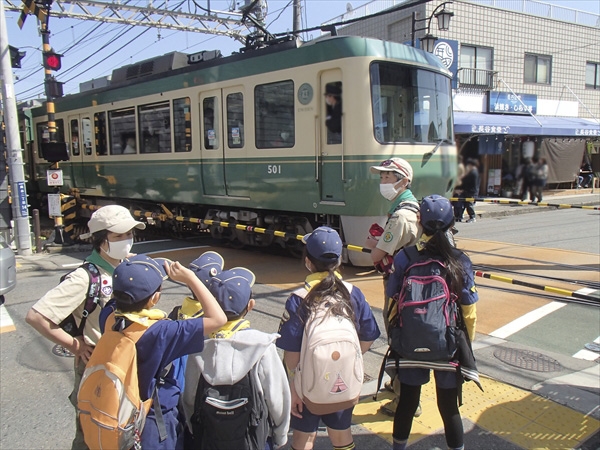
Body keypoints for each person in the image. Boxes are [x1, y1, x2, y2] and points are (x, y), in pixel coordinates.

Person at [25, 204, 146, 450]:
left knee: (121, 429)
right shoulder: (84, 278)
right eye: (118, 236)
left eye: (130, 234)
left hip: (123, 363)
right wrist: (74, 344)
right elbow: (36, 316)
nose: (127, 241)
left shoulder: (125, 266)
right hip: (97, 366)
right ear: (101, 241)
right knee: (92, 434)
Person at [106, 254, 227, 449]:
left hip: (119, 410)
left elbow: (120, 295)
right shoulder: (161, 332)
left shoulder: (110, 317)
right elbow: (218, 319)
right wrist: (191, 279)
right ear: (155, 298)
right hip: (152, 419)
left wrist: (130, 267)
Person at [386, 195, 479, 450]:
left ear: (419, 220)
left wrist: (397, 335)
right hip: (447, 344)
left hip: (410, 342)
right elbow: (469, 310)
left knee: (407, 402)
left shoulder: (404, 258)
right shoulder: (459, 260)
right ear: (452, 224)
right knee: (448, 406)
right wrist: (466, 344)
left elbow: (393, 300)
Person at [276, 227, 380, 450]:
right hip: (343, 379)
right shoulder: (353, 293)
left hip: (307, 385)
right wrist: (344, 359)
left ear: (307, 262)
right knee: (342, 436)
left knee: (304, 438)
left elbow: (292, 355)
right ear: (340, 260)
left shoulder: (299, 299)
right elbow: (369, 336)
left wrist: (294, 384)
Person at [182, 267, 291, 450]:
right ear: (250, 305)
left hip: (210, 436)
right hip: (254, 437)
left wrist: (195, 430)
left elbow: (190, 397)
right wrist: (279, 435)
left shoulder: (199, 346)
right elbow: (277, 399)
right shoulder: (262, 345)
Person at [365, 157, 420, 416]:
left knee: (399, 337)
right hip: (409, 285)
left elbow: (377, 255)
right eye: (381, 177)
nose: (383, 182)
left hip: (400, 288)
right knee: (401, 335)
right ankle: (396, 384)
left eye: (388, 177)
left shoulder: (400, 216)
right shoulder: (411, 207)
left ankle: (405, 400)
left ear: (404, 181)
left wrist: (372, 242)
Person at [453, 158, 479, 223]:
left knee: (469, 205)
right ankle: (460, 216)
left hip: (471, 192)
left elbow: (466, 182)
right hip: (470, 191)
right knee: (465, 204)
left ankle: (472, 217)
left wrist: (461, 189)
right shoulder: (474, 172)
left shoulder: (473, 173)